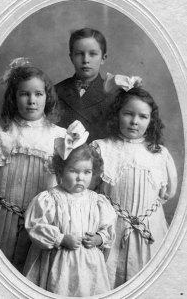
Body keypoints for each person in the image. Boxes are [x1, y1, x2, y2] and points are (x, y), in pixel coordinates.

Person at [0, 58, 66, 272]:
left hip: (41, 221)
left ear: (47, 97)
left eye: (38, 94)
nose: (31, 100)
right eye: (24, 94)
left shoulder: (61, 137)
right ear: (13, 98)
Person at [91, 75, 177, 288]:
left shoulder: (159, 153)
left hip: (149, 228)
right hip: (111, 227)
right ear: (117, 114)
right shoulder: (102, 148)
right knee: (108, 280)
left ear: (151, 120)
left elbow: (169, 192)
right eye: (128, 114)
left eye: (143, 116)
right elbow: (87, 189)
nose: (135, 121)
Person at [23, 121, 117, 296]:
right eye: (73, 171)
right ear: (59, 171)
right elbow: (35, 226)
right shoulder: (49, 199)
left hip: (89, 264)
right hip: (59, 262)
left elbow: (108, 229)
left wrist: (98, 239)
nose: (80, 178)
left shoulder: (97, 201)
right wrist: (60, 238)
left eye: (87, 172)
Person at [55, 27, 116, 142]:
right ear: (71, 57)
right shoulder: (56, 91)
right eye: (79, 54)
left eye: (92, 54)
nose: (85, 60)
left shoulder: (113, 93)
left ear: (103, 58)